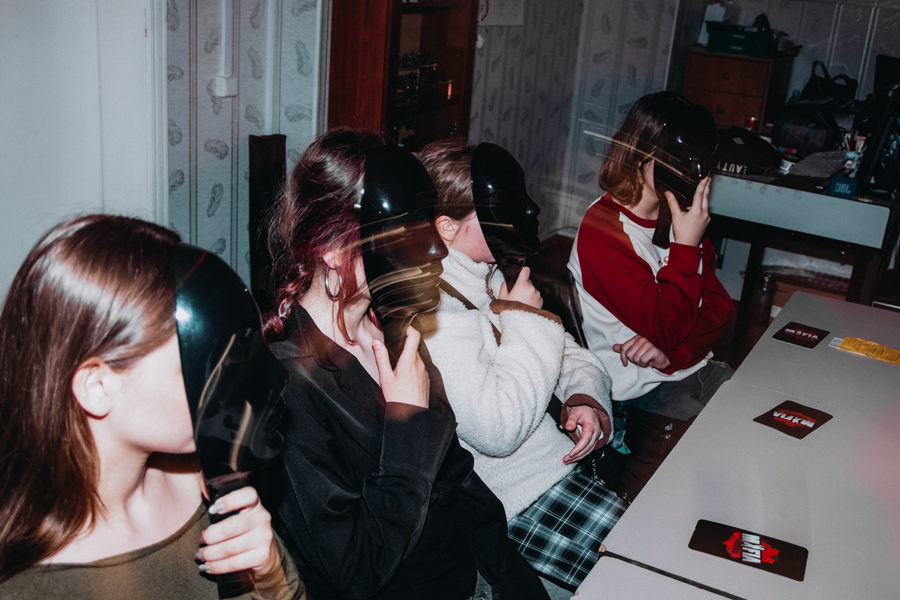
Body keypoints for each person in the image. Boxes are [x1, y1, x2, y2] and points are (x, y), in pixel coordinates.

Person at [257, 128, 549, 600]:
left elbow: (460, 481)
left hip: (470, 574)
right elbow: (356, 571)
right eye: (409, 231)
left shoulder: (396, 331)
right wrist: (407, 427)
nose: (437, 249)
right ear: (333, 248)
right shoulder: (287, 391)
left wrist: (513, 580)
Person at [0, 215, 305, 600]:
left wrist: (271, 577)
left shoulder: (205, 477)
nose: (229, 383)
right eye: (200, 363)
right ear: (98, 387)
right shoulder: (28, 589)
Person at [416, 138, 625, 591]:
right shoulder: (434, 313)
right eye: (502, 206)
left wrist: (584, 397)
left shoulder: (489, 275)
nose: (527, 211)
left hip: (562, 470)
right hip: (520, 501)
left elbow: (574, 356)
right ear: (446, 228)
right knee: (640, 576)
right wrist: (525, 319)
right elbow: (498, 431)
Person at [567, 91, 736, 424]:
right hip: (638, 391)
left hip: (687, 367)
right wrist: (686, 247)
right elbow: (666, 329)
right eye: (683, 158)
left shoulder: (678, 217)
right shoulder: (604, 231)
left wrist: (672, 355)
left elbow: (719, 311)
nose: (696, 172)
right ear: (641, 154)